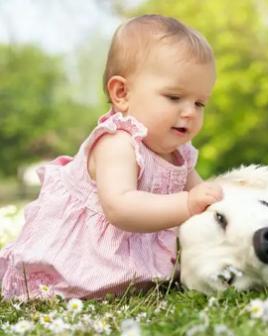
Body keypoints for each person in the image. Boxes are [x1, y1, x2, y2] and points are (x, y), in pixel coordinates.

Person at [0, 14, 223, 300]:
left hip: (132, 263)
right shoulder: (117, 142)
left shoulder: (179, 154)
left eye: (200, 102)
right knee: (61, 287)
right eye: (174, 97)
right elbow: (121, 208)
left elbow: (205, 198)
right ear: (122, 93)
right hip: (81, 259)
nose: (190, 112)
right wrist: (187, 203)